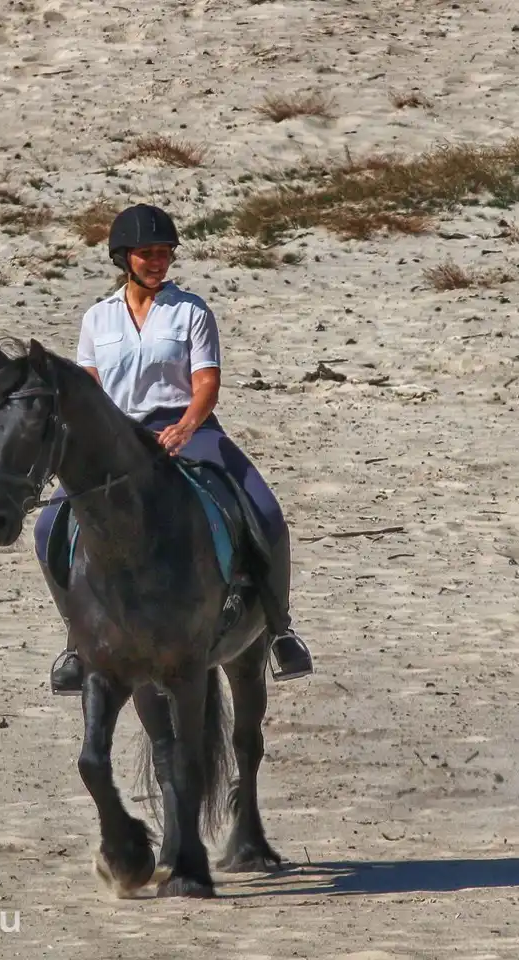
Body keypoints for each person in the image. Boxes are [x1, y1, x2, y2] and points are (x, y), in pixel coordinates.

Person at [34, 203, 316, 694]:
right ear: (124, 258)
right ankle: (77, 640)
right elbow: (91, 389)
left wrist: (187, 425)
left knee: (266, 511)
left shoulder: (190, 311)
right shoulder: (97, 320)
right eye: (147, 254)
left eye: (164, 253)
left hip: (184, 427)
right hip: (118, 438)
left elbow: (207, 382)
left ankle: (279, 629)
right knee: (46, 526)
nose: (158, 261)